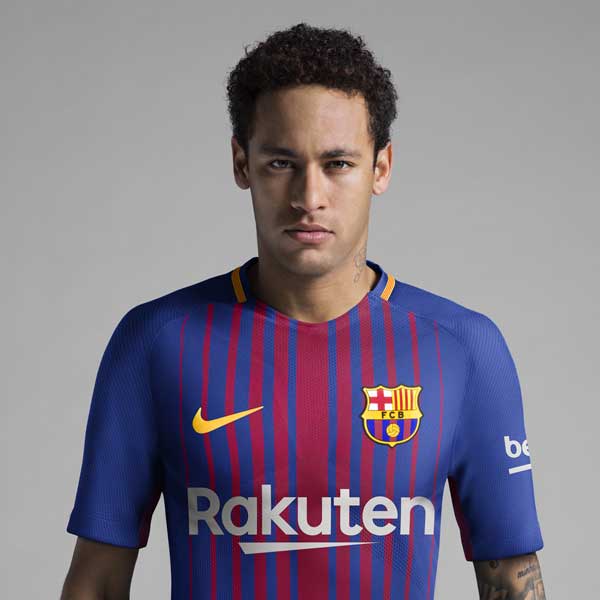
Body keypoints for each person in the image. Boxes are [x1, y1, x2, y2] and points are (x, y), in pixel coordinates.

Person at [61, 22, 545, 600]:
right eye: (280, 163)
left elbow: (512, 582)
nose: (309, 197)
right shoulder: (156, 341)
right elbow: (97, 581)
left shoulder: (464, 349)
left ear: (381, 168)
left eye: (337, 163)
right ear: (242, 163)